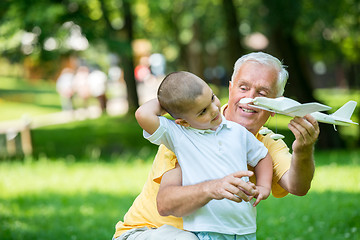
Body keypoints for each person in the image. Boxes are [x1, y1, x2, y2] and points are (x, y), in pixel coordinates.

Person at [113, 52, 319, 239]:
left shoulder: (265, 143)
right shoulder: (189, 131)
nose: (250, 98)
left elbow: (297, 186)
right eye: (243, 88)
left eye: (262, 93)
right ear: (230, 89)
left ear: (275, 105)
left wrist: (303, 149)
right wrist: (176, 101)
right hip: (147, 231)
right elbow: (166, 203)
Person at [135, 71, 273, 239]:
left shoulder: (237, 132)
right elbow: (143, 114)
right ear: (184, 121)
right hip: (206, 229)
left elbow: (262, 156)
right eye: (202, 111)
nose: (214, 109)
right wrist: (175, 100)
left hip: (244, 226)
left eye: (212, 98)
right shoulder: (179, 135)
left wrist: (264, 186)